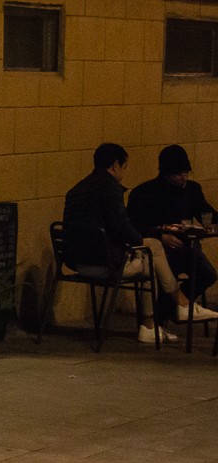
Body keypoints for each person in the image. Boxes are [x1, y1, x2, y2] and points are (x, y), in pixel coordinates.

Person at [63, 143, 190, 344]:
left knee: (149, 259)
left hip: (78, 263)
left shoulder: (76, 190)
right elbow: (121, 226)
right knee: (152, 248)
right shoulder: (110, 187)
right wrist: (139, 240)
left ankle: (151, 325)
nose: (123, 173)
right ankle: (180, 305)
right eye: (124, 167)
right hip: (106, 264)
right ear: (115, 165)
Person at [126, 144, 218, 322]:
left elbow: (206, 213)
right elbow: (134, 226)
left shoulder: (192, 190)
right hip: (157, 248)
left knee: (207, 273)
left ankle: (172, 309)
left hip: (184, 246)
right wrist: (161, 235)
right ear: (165, 173)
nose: (184, 178)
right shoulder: (145, 193)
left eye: (186, 172)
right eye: (178, 174)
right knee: (165, 271)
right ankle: (172, 311)